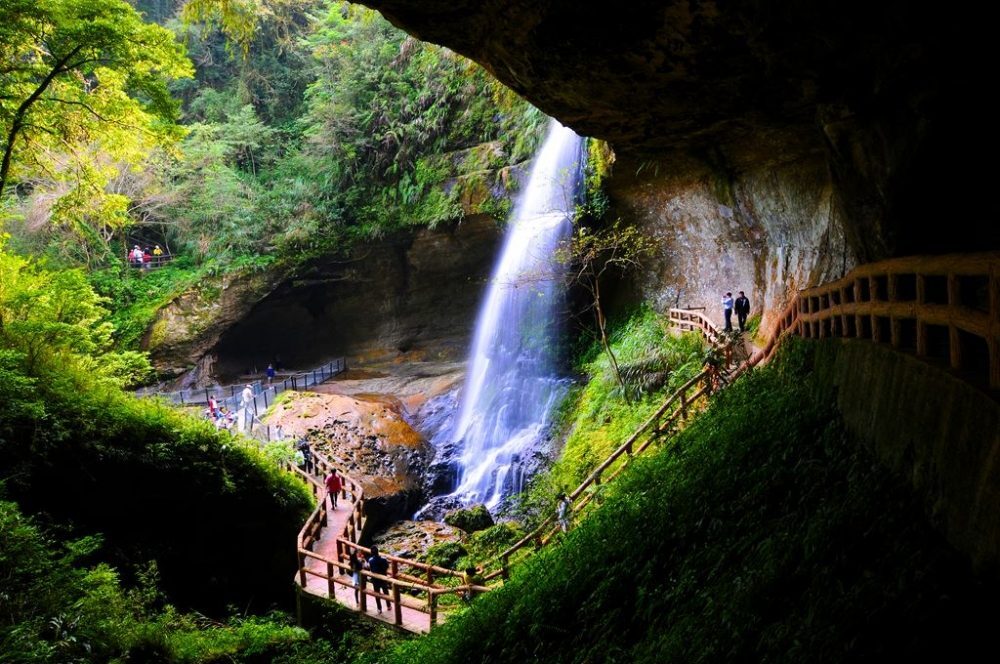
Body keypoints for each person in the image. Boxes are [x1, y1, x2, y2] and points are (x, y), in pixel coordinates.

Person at [366, 546, 391, 613]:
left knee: (377, 593)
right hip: (383, 578)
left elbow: (369, 568)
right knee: (386, 591)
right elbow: (387, 567)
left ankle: (379, 608)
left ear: (371, 553)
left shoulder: (370, 560)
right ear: (378, 551)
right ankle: (388, 605)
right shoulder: (383, 559)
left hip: (375, 579)